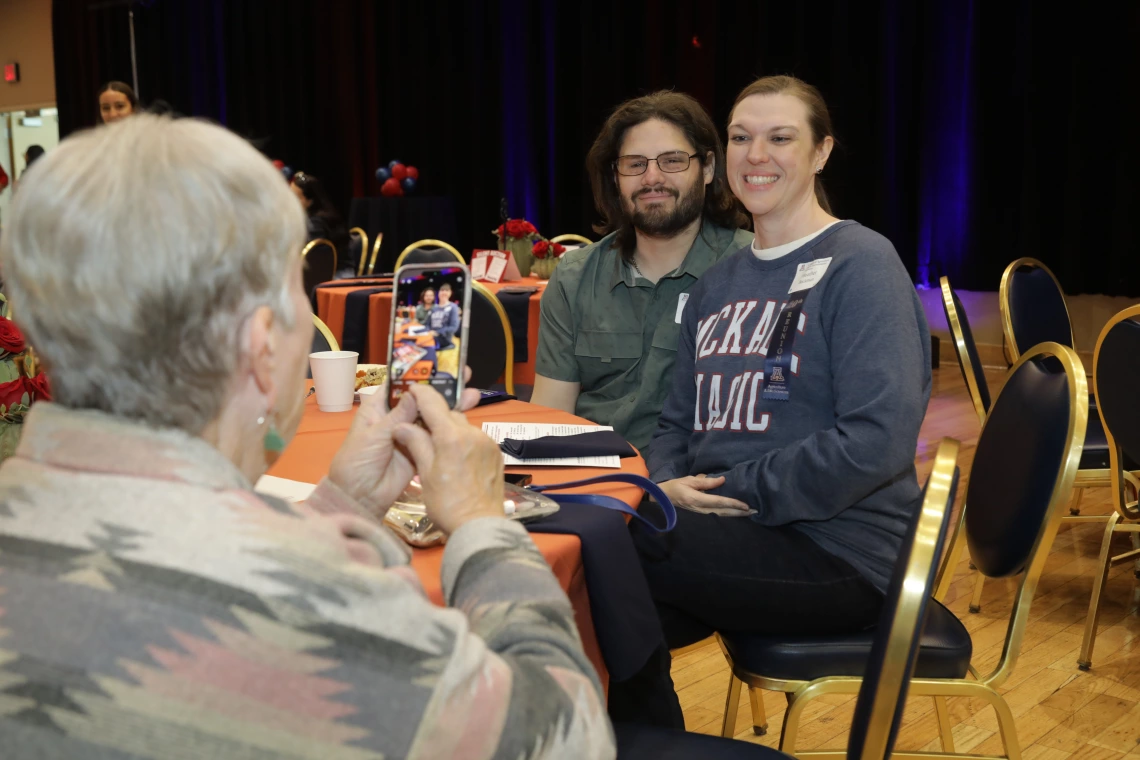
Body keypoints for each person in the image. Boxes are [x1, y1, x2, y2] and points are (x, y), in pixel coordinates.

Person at [0, 114, 614, 758]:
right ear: (263, 347)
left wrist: (342, 507)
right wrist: (483, 529)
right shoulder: (315, 608)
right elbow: (570, 738)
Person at [613, 75, 933, 724]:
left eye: (780, 137)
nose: (756, 154)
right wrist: (670, 486)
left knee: (611, 554)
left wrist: (729, 492)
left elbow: (876, 440)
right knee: (589, 603)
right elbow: (676, 422)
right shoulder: (717, 284)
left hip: (842, 553)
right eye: (740, 137)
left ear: (821, 153)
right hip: (733, 529)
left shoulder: (862, 263)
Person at [532, 91, 753, 451]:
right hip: (598, 486)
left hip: (703, 488)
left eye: (672, 161)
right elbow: (549, 417)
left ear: (709, 168)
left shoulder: (754, 267)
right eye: (635, 164)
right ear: (615, 177)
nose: (652, 178)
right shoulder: (575, 276)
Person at [290, 171, 353, 276]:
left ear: (310, 201)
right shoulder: (318, 216)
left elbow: (313, 260)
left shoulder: (316, 224)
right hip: (324, 273)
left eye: (296, 197)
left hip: (337, 276)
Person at [428, 282, 460, 349]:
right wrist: (428, 331)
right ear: (438, 293)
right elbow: (427, 323)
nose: (444, 292)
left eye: (447, 290)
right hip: (430, 336)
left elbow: (453, 327)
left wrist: (437, 332)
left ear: (450, 293)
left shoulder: (453, 307)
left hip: (444, 339)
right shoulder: (434, 308)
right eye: (442, 290)